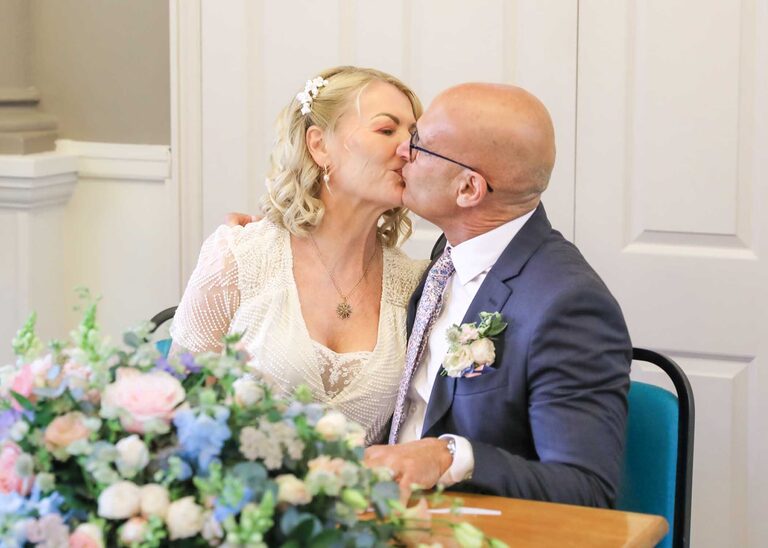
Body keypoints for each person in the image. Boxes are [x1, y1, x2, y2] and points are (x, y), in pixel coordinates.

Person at [362, 83, 632, 508]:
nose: (401, 152)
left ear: (468, 189)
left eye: (419, 144)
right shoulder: (448, 254)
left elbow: (587, 490)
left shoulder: (567, 304)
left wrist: (454, 456)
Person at [170, 66, 428, 445]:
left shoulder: (417, 286)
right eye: (387, 130)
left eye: (415, 135)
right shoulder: (240, 257)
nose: (408, 148)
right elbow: (176, 403)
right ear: (320, 145)